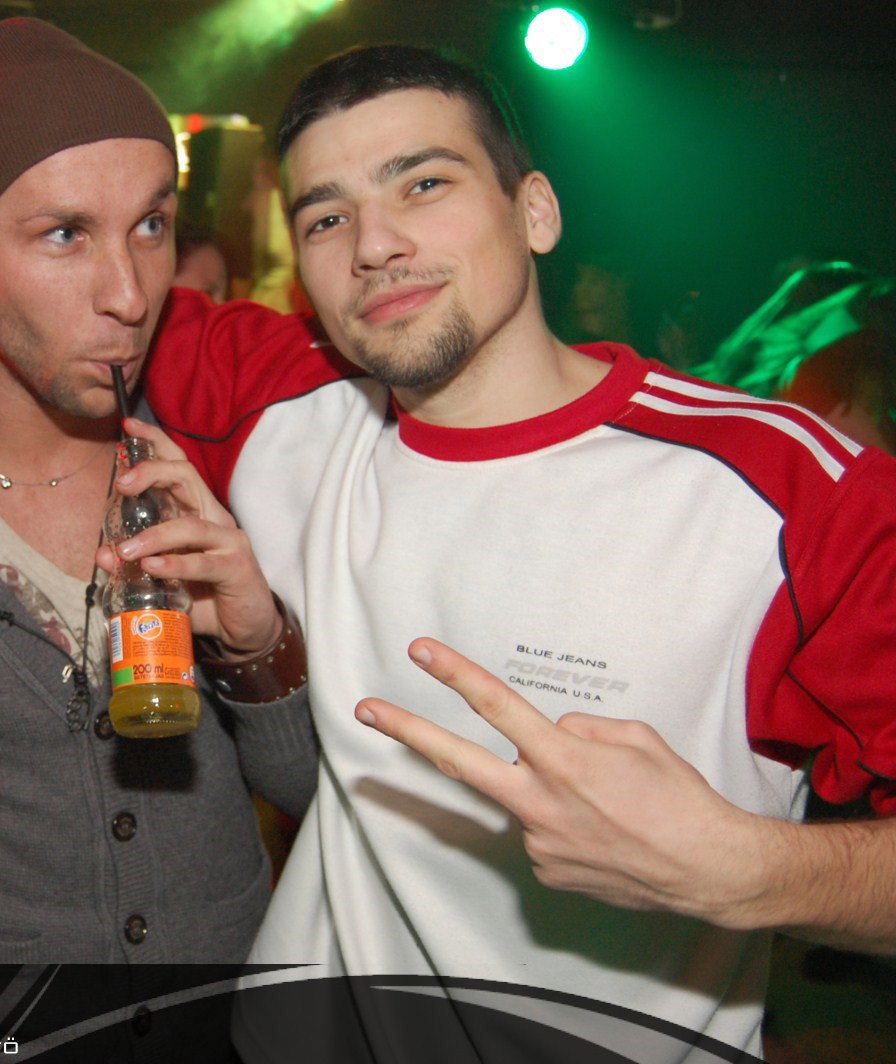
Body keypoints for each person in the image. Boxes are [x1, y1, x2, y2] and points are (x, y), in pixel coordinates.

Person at [129, 44, 896, 1061]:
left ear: (534, 210)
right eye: (326, 218)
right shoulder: (291, 407)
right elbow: (59, 285)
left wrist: (749, 871)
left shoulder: (787, 496)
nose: (375, 244)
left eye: (424, 183)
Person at [0, 16, 316, 968]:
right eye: (66, 234)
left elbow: (311, 797)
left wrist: (257, 648)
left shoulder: (208, 451)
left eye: (152, 225)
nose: (128, 293)